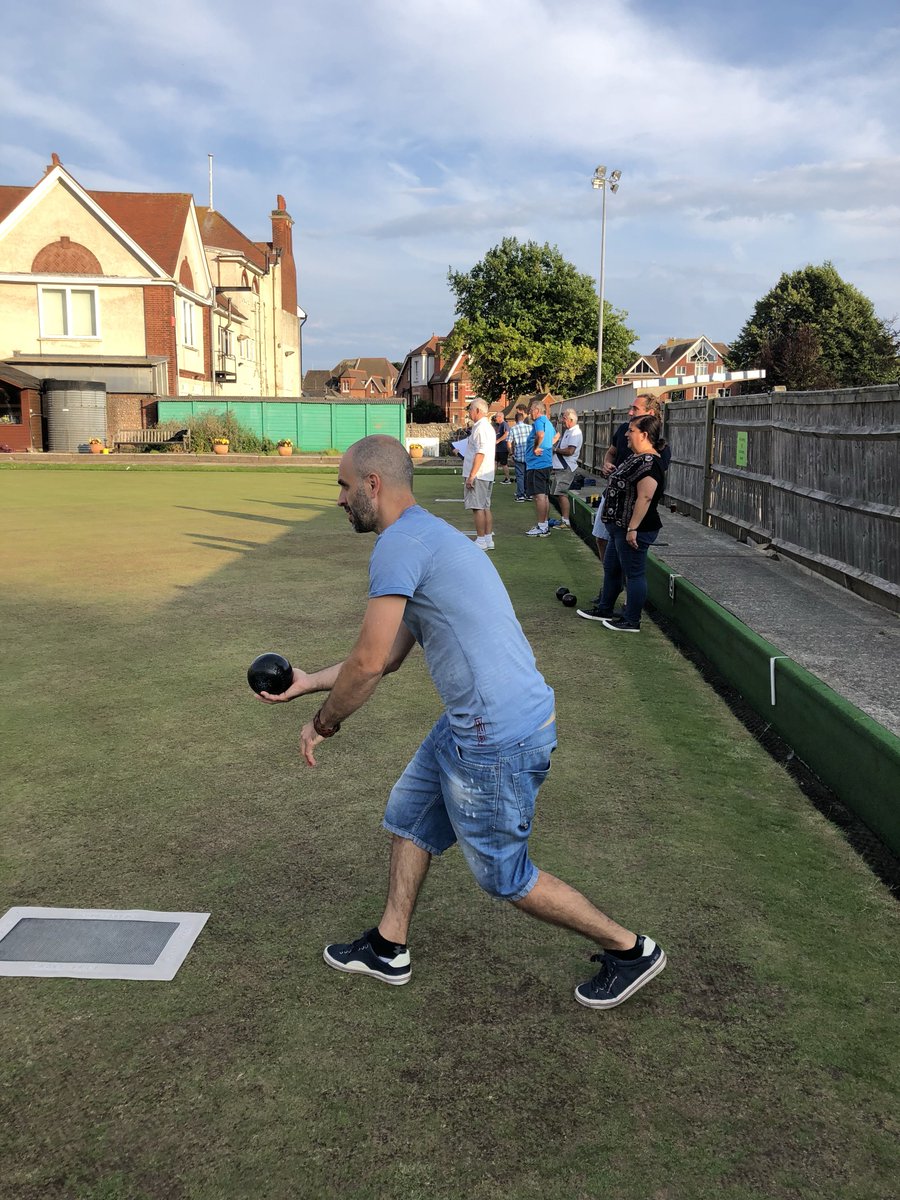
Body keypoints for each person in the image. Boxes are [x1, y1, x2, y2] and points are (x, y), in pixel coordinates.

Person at [258, 434, 666, 1010]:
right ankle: (388, 945)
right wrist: (308, 680)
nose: (341, 499)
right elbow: (392, 653)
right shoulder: (428, 534)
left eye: (345, 487)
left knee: (505, 876)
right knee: (408, 818)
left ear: (373, 485)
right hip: (472, 723)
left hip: (496, 736)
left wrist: (323, 724)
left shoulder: (399, 546)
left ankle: (631, 950)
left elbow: (371, 664)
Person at [577, 413, 666, 631]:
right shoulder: (636, 457)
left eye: (631, 430)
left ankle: (631, 620)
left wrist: (632, 528)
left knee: (634, 573)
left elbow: (645, 498)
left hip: (634, 528)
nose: (626, 434)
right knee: (612, 567)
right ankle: (605, 608)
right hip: (618, 526)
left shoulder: (650, 462)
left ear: (644, 435)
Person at [461, 398, 496, 551]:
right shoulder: (487, 427)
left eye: (470, 409)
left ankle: (481, 540)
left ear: (477, 411)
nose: (469, 412)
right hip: (486, 473)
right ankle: (488, 538)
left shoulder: (481, 428)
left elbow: (480, 453)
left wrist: (471, 475)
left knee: (478, 507)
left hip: (479, 473)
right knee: (485, 506)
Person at [524, 397, 555, 537]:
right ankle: (544, 524)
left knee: (540, 496)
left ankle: (542, 526)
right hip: (545, 463)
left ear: (536, 411)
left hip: (538, 464)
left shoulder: (539, 422)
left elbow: (540, 435)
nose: (530, 413)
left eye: (531, 410)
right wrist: (547, 447)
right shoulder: (548, 423)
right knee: (544, 496)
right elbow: (556, 436)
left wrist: (536, 447)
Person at [550, 408, 583, 529]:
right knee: (559, 494)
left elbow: (570, 451)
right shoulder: (569, 431)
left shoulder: (575, 433)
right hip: (562, 467)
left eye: (564, 418)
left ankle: (566, 521)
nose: (563, 421)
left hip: (567, 467)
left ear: (570, 419)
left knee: (562, 494)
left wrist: (555, 449)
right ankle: (564, 520)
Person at [507, 406, 530, 501]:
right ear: (523, 419)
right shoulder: (530, 427)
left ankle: (520, 495)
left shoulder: (513, 429)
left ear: (515, 420)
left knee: (520, 476)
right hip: (529, 455)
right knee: (528, 475)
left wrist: (511, 453)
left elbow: (509, 442)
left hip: (519, 455)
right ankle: (528, 494)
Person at [492, 411, 511, 484]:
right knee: (495, 463)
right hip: (497, 448)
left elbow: (506, 434)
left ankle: (508, 479)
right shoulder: (498, 425)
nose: (495, 418)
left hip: (503, 448)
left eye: (496, 416)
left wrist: (498, 440)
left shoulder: (504, 424)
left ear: (500, 417)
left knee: (504, 464)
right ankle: (492, 478)